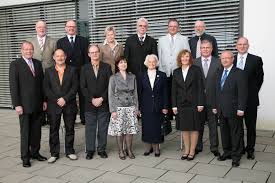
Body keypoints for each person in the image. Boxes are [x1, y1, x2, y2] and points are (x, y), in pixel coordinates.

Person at [9, 41, 47, 167]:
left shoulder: (37, 63)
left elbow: (42, 84)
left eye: (30, 49)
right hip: (24, 105)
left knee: (37, 131)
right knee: (25, 132)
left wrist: (44, 100)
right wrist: (17, 104)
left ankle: (35, 153)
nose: (29, 51)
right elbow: (14, 86)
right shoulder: (15, 65)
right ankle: (25, 157)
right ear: (21, 51)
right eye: (26, 49)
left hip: (37, 104)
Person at [212, 51, 247, 167]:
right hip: (221, 109)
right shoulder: (218, 72)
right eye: (223, 58)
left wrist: (241, 108)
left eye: (227, 58)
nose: (225, 60)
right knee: (224, 132)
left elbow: (243, 93)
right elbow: (216, 92)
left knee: (236, 133)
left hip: (234, 109)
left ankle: (236, 156)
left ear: (233, 59)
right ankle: (227, 152)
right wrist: (214, 106)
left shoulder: (239, 73)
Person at [44, 49, 79, 163]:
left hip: (69, 104)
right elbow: (46, 88)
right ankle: (54, 153)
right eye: (57, 56)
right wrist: (56, 100)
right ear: (53, 57)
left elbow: (75, 87)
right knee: (53, 129)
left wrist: (65, 98)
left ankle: (70, 151)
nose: (60, 58)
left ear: (65, 56)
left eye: (62, 56)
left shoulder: (73, 70)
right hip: (54, 105)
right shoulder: (48, 71)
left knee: (70, 129)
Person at [234, 37, 264, 160]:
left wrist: (250, 93)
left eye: (244, 44)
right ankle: (240, 148)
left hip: (250, 100)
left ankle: (250, 149)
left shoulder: (256, 60)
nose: (242, 46)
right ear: (236, 46)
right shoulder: (231, 59)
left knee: (251, 126)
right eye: (240, 44)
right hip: (235, 100)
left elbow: (259, 79)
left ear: (248, 46)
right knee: (238, 127)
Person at [80, 44, 112, 160]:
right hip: (90, 104)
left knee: (103, 128)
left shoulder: (107, 67)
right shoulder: (84, 68)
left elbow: (110, 86)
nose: (94, 54)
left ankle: (102, 149)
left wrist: (102, 98)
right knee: (90, 128)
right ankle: (90, 150)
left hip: (103, 102)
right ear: (89, 55)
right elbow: (83, 87)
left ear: (99, 53)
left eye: (96, 52)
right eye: (92, 52)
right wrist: (92, 99)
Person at [172, 49, 204, 161]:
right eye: (183, 56)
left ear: (190, 58)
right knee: (184, 128)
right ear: (180, 58)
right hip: (181, 104)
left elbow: (201, 87)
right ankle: (186, 150)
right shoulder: (175, 72)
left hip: (194, 103)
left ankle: (192, 151)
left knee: (194, 128)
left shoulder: (196, 70)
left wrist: (201, 103)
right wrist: (174, 105)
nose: (184, 58)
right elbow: (174, 90)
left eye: (187, 56)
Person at [57, 20, 89, 125]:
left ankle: (84, 118)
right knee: (69, 96)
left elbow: (86, 59)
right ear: (65, 28)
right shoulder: (60, 42)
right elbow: (59, 59)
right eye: (69, 26)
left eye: (73, 26)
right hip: (67, 75)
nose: (71, 28)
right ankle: (71, 119)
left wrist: (85, 74)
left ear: (76, 28)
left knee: (83, 97)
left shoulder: (84, 40)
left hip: (81, 74)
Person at [158, 18, 190, 119]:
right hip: (165, 71)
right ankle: (168, 115)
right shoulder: (161, 39)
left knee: (178, 93)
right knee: (166, 93)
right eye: (171, 26)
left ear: (178, 28)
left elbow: (187, 54)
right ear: (168, 27)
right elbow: (159, 55)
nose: (173, 28)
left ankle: (178, 114)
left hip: (179, 71)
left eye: (175, 26)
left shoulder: (184, 39)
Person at [108, 56, 139, 160]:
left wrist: (136, 108)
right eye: (121, 62)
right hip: (118, 107)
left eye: (125, 62)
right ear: (117, 65)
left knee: (130, 130)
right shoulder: (113, 78)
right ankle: (121, 151)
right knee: (119, 130)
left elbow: (135, 93)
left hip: (130, 107)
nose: (123, 64)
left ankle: (129, 150)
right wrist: (112, 110)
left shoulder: (132, 76)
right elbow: (110, 95)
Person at [137, 54, 168, 157]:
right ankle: (148, 147)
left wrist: (165, 106)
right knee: (146, 127)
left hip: (158, 106)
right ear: (146, 63)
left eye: (153, 61)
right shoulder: (141, 75)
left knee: (156, 128)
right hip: (146, 106)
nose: (152, 63)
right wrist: (139, 108)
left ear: (156, 63)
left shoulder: (162, 75)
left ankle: (156, 148)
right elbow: (139, 92)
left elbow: (165, 92)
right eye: (149, 62)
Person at [194, 40, 221, 156]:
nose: (205, 49)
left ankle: (214, 147)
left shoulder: (218, 62)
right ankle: (198, 146)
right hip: (198, 100)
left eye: (207, 47)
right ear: (200, 49)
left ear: (212, 49)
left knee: (213, 125)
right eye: (203, 47)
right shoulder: (194, 62)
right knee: (198, 125)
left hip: (213, 100)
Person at [28, 20, 56, 126]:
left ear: (46, 28)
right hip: (35, 73)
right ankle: (41, 118)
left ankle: (50, 117)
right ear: (36, 28)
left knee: (49, 95)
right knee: (38, 94)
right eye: (39, 27)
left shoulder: (53, 42)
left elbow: (56, 58)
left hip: (50, 73)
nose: (41, 29)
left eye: (43, 27)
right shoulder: (30, 41)